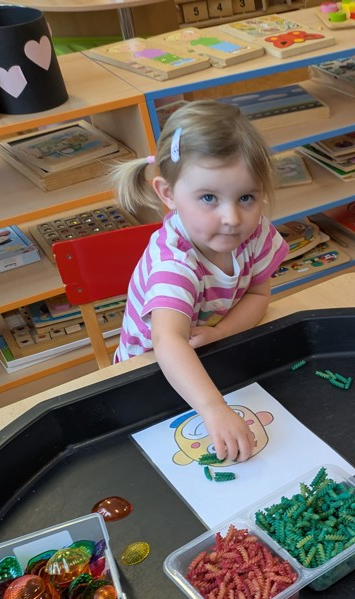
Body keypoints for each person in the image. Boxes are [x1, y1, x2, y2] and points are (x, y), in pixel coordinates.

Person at [112, 100, 289, 463]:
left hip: (208, 354)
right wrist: (213, 408)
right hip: (146, 375)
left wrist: (220, 332)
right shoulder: (173, 263)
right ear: (168, 194)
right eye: (209, 198)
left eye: (246, 197)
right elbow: (168, 340)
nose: (232, 218)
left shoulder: (255, 232)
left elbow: (259, 294)